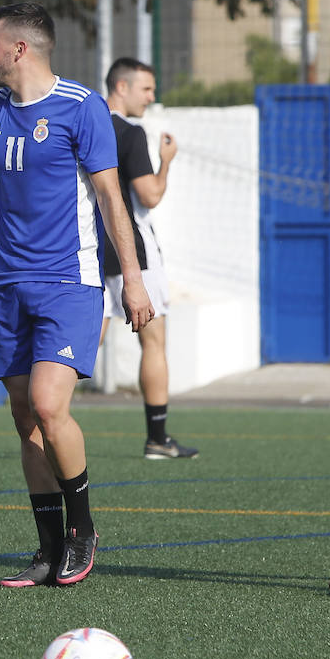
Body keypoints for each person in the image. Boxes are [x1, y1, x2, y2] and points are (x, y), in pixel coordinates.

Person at [0, 3, 154, 588]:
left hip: (68, 284)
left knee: (51, 408)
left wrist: (132, 278)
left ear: (20, 49)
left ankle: (82, 531)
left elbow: (110, 200)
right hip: (8, 284)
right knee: (25, 419)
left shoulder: (83, 108)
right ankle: (48, 547)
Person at [99, 57, 198, 461]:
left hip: (88, 249)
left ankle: (49, 425)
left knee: (87, 341)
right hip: (131, 253)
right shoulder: (129, 132)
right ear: (121, 87)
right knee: (154, 340)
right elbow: (149, 196)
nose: (151, 98)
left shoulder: (80, 126)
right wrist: (167, 162)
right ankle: (158, 438)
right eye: (146, 89)